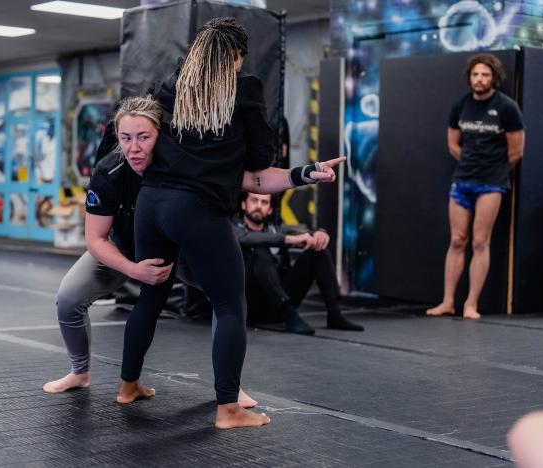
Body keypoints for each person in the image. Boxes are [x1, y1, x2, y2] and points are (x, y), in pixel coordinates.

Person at [43, 96, 342, 408]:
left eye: (143, 137)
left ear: (160, 133)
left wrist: (305, 173)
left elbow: (253, 179)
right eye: (125, 138)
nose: (134, 148)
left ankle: (229, 387)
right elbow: (95, 239)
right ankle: (80, 372)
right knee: (68, 300)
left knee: (225, 299)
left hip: (178, 252)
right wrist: (133, 270)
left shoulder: (184, 161)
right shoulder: (109, 171)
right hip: (121, 250)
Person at [117, 17, 344, 430]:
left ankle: (127, 386)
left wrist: (302, 172)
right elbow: (260, 161)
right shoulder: (244, 88)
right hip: (197, 209)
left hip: (151, 204)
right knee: (229, 304)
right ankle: (228, 409)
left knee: (150, 296)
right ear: (238, 55)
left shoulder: (171, 86)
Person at [427, 53, 525, 320]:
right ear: (469, 77)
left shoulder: (507, 107)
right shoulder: (461, 105)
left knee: (481, 241)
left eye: (484, 74)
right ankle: (448, 301)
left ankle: (471, 304)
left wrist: (492, 169)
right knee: (457, 239)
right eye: (475, 74)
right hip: (462, 180)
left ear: (494, 77)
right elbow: (453, 144)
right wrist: (471, 163)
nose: (479, 79)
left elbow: (516, 152)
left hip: (492, 184)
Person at [235, 192, 363, 335]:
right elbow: (246, 238)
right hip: (249, 307)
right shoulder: (232, 230)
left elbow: (304, 232)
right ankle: (290, 315)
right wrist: (287, 239)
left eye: (264, 202)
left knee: (317, 250)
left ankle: (334, 313)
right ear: (243, 204)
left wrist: (319, 233)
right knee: (259, 251)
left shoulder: (277, 230)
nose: (258, 206)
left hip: (277, 307)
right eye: (254, 200)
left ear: (270, 209)